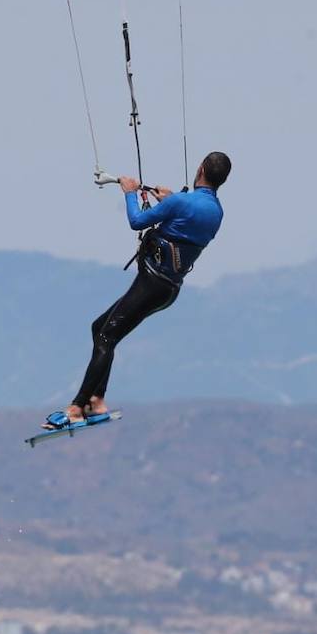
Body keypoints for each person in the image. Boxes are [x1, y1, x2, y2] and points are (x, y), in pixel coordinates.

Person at [43, 151, 231, 430]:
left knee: (106, 336)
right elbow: (187, 218)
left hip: (151, 283)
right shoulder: (216, 212)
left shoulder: (181, 202)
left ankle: (74, 408)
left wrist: (130, 193)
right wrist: (170, 203)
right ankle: (96, 402)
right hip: (168, 291)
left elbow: (136, 221)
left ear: (201, 168)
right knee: (101, 329)